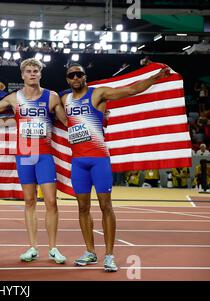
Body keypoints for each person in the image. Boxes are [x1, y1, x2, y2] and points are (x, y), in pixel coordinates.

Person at [58, 62, 171, 272]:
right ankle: (90, 252)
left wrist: (155, 79)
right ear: (67, 79)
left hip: (99, 159)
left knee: (105, 206)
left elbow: (130, 90)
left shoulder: (98, 93)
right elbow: (53, 112)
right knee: (82, 208)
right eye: (71, 75)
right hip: (78, 162)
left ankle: (109, 255)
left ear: (84, 76)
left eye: (78, 74)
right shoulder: (64, 99)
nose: (75, 78)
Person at [0, 58, 68, 264]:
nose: (32, 74)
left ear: (40, 74)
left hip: (44, 154)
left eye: (36, 70)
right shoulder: (14, 99)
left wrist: (98, 114)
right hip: (24, 154)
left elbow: (67, 121)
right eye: (28, 71)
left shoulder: (51, 97)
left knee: (51, 202)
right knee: (29, 201)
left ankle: (53, 248)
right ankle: (33, 247)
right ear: (22, 75)